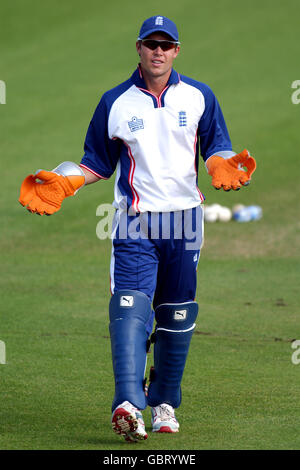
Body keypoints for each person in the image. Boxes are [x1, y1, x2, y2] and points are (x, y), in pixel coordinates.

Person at [19, 15, 256, 442]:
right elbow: (94, 162)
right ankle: (129, 403)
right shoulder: (116, 103)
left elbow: (217, 144)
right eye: (151, 44)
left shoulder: (200, 96)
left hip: (185, 221)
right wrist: (65, 179)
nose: (158, 51)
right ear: (139, 48)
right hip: (134, 222)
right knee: (130, 310)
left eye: (166, 44)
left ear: (177, 50)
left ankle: (164, 401)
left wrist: (222, 162)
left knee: (175, 313)